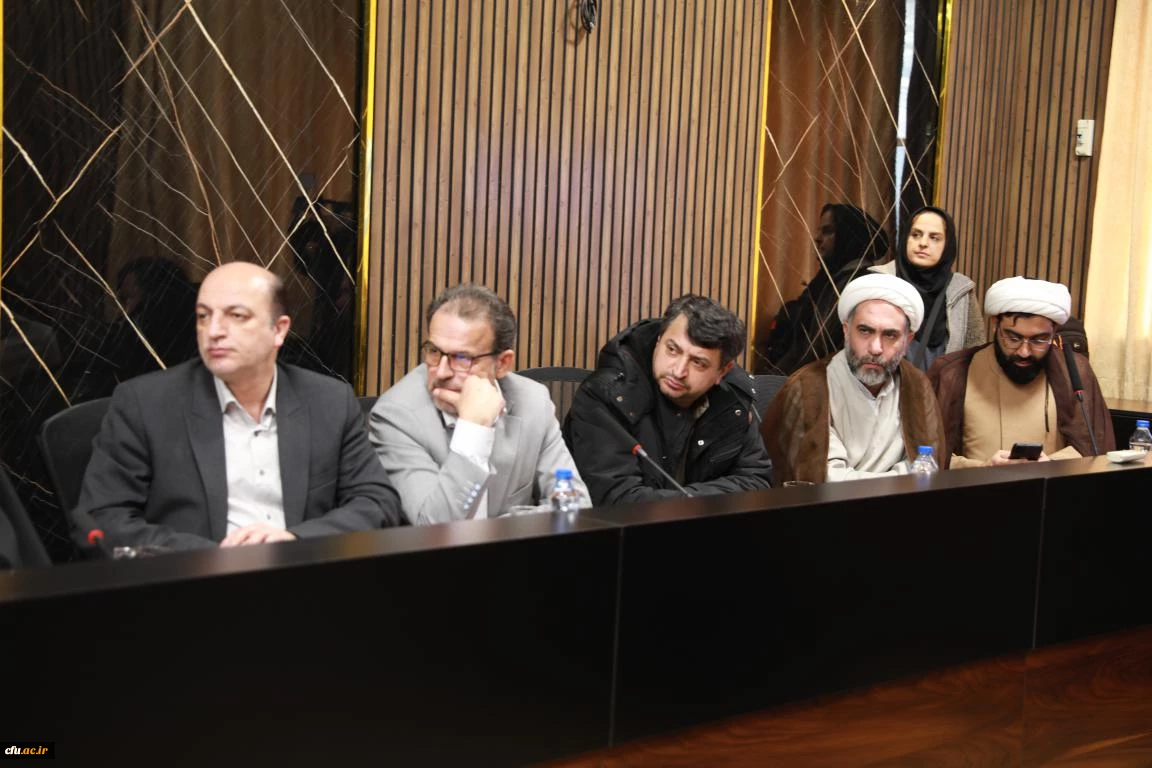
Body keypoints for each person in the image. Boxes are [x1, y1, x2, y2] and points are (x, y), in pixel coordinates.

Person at [75, 261, 404, 551]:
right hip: (194, 582)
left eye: (236, 316)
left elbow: (377, 501)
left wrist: (295, 541)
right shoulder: (145, 404)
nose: (214, 331)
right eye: (203, 316)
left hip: (302, 579)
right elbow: (102, 516)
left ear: (279, 330)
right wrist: (212, 556)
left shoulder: (328, 401)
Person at [369, 284, 589, 524]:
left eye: (462, 358)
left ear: (502, 363)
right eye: (434, 351)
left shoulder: (533, 401)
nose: (441, 372)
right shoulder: (396, 415)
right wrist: (474, 430)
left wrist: (497, 530)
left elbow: (575, 507)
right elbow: (432, 526)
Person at [564, 295, 772, 505]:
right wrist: (706, 502)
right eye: (672, 350)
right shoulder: (607, 396)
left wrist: (690, 503)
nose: (679, 371)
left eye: (698, 363)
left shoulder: (733, 399)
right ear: (658, 340)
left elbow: (757, 482)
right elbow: (618, 500)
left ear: (722, 371)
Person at [761, 273, 945, 483]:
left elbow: (926, 469)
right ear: (846, 331)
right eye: (865, 331)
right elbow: (823, 480)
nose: (875, 348)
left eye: (890, 335)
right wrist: (898, 481)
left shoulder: (917, 386)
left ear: (907, 341)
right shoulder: (808, 388)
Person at [928, 276, 1114, 467]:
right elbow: (927, 455)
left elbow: (1095, 450)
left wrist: (1051, 465)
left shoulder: (1073, 371)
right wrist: (984, 468)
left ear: (1054, 331)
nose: (1024, 352)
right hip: (973, 485)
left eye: (1039, 340)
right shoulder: (952, 371)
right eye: (1013, 338)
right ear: (995, 324)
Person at [761, 204, 890, 374]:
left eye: (828, 231)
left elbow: (820, 349)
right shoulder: (828, 280)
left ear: (848, 236)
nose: (817, 238)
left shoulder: (858, 285)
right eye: (820, 231)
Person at [869, 206, 983, 369]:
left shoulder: (961, 291)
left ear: (947, 245)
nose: (923, 243)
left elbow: (975, 355)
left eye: (934, 238)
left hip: (941, 385)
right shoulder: (878, 282)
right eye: (916, 234)